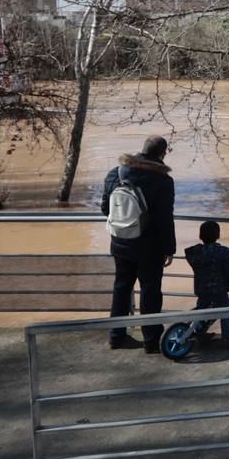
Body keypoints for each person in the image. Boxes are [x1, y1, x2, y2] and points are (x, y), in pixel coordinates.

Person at [100, 135, 176, 353]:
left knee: (121, 287)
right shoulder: (162, 180)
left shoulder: (116, 172)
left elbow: (105, 208)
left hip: (120, 241)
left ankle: (116, 336)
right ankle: (151, 341)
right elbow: (164, 218)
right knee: (150, 290)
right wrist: (169, 248)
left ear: (142, 149)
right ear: (163, 153)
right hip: (150, 247)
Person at [185, 220, 229, 340]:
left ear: (200, 236)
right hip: (219, 289)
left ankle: (200, 333)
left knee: (201, 310)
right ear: (218, 235)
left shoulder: (194, 253)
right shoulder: (223, 252)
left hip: (201, 288)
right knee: (225, 311)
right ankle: (227, 338)